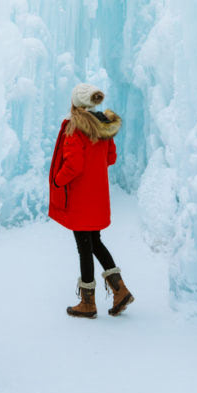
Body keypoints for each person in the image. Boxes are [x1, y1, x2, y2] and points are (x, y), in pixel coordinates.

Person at [48, 82, 134, 318]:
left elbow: (73, 164)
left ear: (76, 103)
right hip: (97, 196)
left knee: (85, 247)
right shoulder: (102, 126)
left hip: (80, 198)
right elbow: (111, 157)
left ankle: (88, 303)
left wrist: (58, 179)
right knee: (94, 241)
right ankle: (120, 290)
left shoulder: (75, 128)